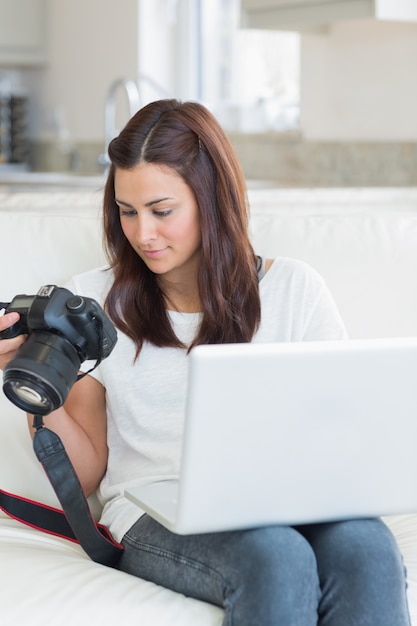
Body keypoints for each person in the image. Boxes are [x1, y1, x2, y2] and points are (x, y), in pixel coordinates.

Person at [0, 99, 410, 625]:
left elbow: (347, 442)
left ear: (212, 199)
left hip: (286, 502)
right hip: (153, 515)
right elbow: (82, 477)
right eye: (127, 211)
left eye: (162, 211)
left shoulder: (296, 291)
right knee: (275, 556)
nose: (143, 234)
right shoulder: (94, 305)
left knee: (368, 549)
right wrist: (38, 387)